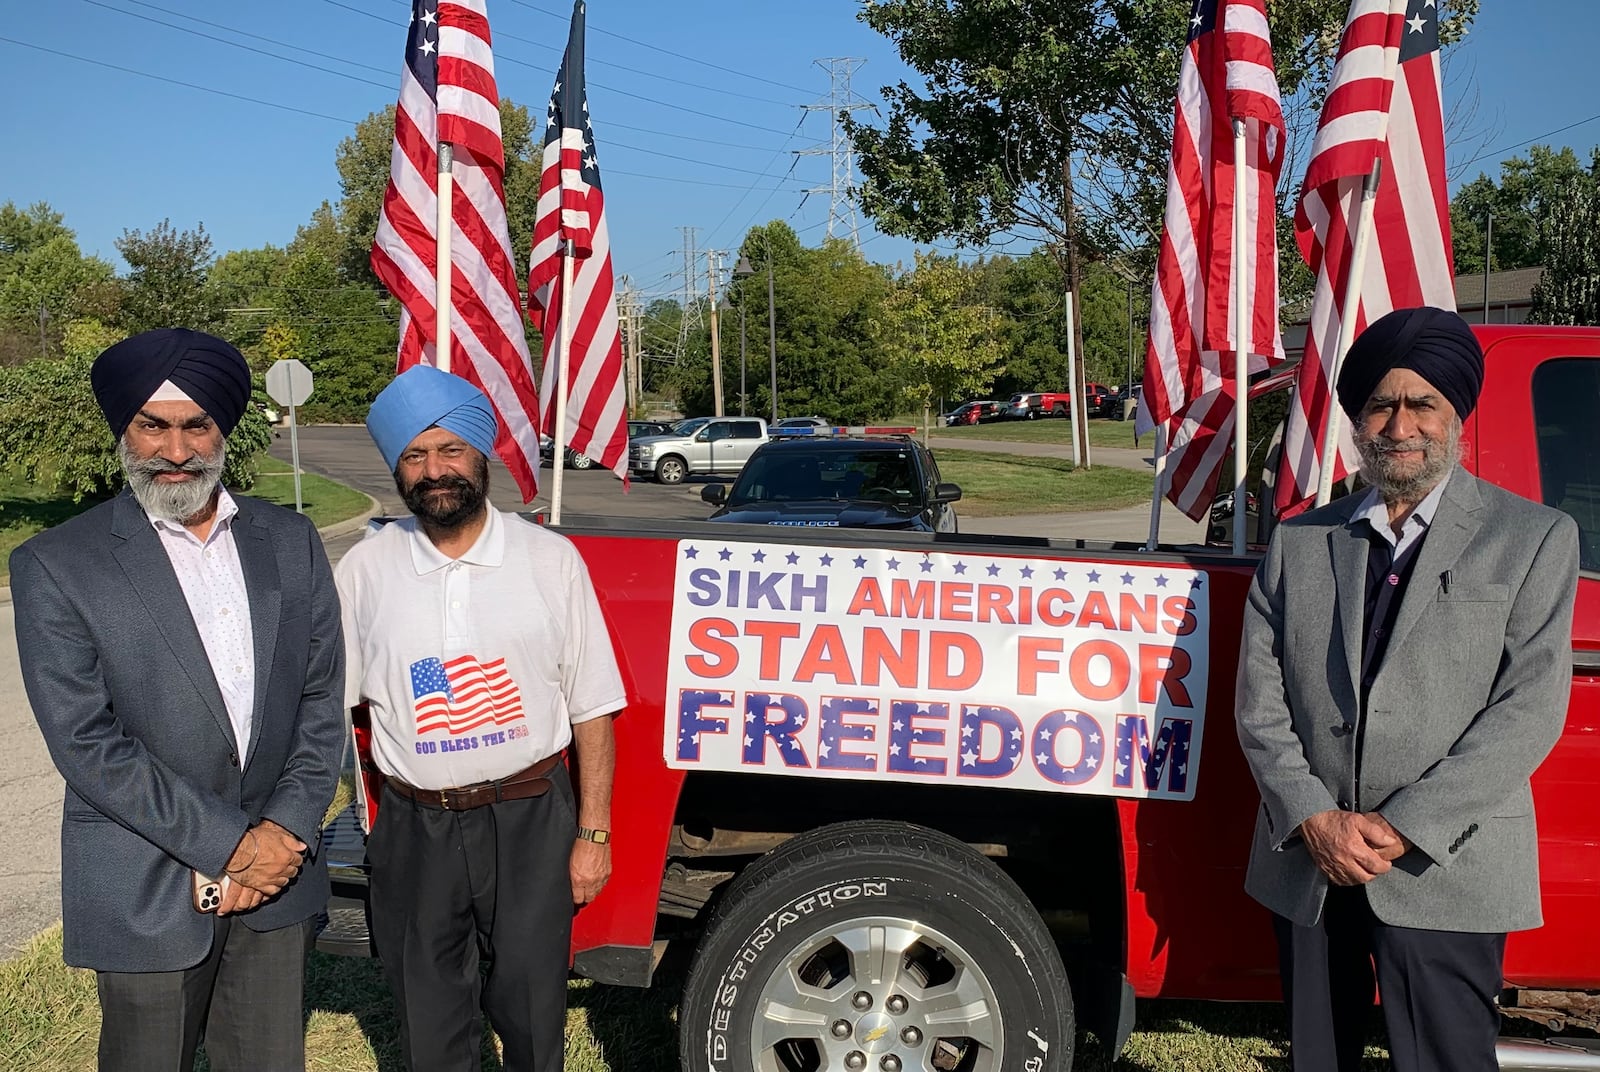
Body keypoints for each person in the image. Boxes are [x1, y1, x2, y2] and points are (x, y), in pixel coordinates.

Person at [1235, 306, 1580, 1072]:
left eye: (1422, 402)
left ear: (1456, 414)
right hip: (1311, 862)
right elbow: (1260, 703)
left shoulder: (1532, 538)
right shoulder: (1299, 540)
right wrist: (1315, 819)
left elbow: (1528, 710)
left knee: (1446, 1061)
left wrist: (1403, 825)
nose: (1400, 424)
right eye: (1380, 404)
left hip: (1443, 862)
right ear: (1358, 420)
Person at [11, 328, 347, 1071]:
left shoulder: (290, 541)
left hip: (277, 884)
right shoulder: (56, 564)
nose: (175, 449)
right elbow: (86, 744)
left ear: (223, 429)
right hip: (145, 882)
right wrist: (233, 847)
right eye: (152, 425)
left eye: (196, 425)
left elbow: (322, 701)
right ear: (124, 430)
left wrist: (283, 835)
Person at [336, 365, 625, 1072]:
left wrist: (593, 833)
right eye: (415, 455)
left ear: (481, 454)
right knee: (428, 1016)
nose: (435, 470)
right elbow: (328, 708)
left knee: (531, 1013)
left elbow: (592, 706)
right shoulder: (364, 570)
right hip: (413, 824)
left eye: (450, 450)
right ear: (399, 470)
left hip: (529, 817)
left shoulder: (550, 561)